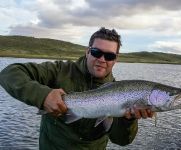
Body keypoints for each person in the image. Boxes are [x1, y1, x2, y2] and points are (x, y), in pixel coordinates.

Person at [0, 27, 155, 150]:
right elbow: (9, 73)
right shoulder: (60, 70)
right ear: (87, 51)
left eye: (109, 56)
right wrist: (43, 96)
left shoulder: (121, 92)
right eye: (96, 52)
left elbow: (121, 141)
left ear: (115, 60)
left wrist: (129, 119)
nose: (101, 59)